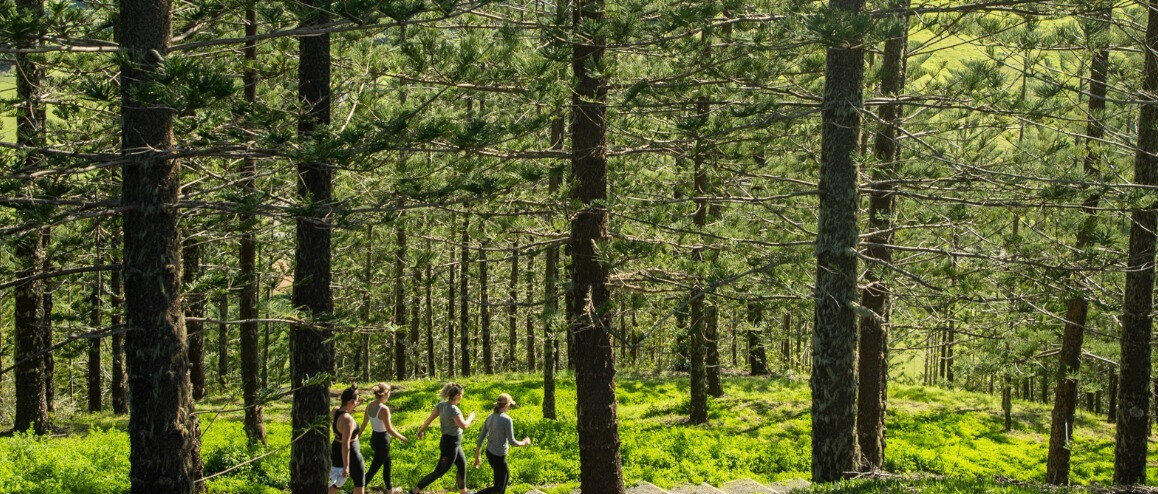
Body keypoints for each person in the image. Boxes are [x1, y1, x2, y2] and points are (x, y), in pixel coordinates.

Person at [410, 382, 476, 494]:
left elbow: (429, 419)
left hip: (453, 443)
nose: (461, 397)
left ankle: (463, 491)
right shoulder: (454, 409)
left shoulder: (441, 405)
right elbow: (464, 426)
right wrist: (471, 417)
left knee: (462, 464)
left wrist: (421, 430)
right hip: (450, 444)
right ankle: (415, 491)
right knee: (440, 471)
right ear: (456, 395)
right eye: (461, 395)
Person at [473, 393, 531, 494]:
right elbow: (512, 442)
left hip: (490, 453)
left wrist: (477, 456)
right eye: (510, 405)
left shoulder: (490, 417)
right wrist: (524, 442)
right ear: (505, 405)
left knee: (502, 481)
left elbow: (481, 437)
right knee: (499, 487)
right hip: (498, 456)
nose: (510, 407)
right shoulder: (506, 420)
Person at [359, 382, 408, 492]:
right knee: (373, 469)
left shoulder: (369, 405)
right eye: (389, 392)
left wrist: (358, 435)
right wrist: (402, 437)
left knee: (387, 463)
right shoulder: (384, 409)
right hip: (383, 441)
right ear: (385, 394)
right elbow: (389, 429)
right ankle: (358, 489)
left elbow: (364, 423)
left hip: (374, 438)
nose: (390, 394)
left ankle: (389, 489)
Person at [329, 384, 366, 494]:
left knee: (337, 483)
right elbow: (345, 444)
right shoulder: (347, 420)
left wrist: (359, 403)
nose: (356, 402)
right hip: (351, 453)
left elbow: (347, 408)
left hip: (335, 447)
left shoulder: (335, 411)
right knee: (359, 483)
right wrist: (346, 466)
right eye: (356, 400)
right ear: (351, 402)